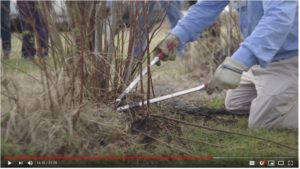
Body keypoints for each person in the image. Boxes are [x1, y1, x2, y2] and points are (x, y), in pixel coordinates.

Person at [155, 0, 298, 129]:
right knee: (235, 104)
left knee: (263, 122)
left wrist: (239, 62)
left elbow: (278, 19)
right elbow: (207, 6)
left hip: (288, 58)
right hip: (260, 59)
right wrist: (178, 35)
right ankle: (279, 96)